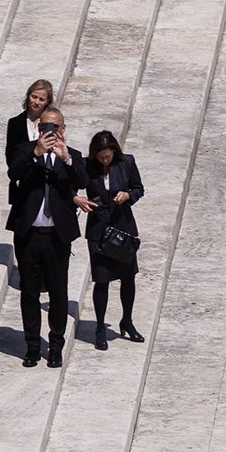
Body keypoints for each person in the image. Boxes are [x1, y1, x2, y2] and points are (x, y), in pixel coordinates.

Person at [6, 105, 82, 368]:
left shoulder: (72, 155)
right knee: (29, 292)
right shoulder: (25, 150)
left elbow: (82, 179)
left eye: (55, 127)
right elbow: (13, 173)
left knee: (58, 292)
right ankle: (32, 347)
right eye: (44, 127)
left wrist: (65, 158)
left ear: (63, 129)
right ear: (38, 128)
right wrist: (37, 152)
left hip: (56, 236)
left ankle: (56, 345)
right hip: (28, 233)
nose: (50, 131)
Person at [79, 129, 144, 350]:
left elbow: (138, 188)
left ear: (114, 151)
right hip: (99, 230)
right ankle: (99, 328)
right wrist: (78, 199)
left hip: (122, 228)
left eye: (107, 156)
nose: (104, 160)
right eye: (100, 157)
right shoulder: (87, 165)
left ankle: (127, 320)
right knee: (102, 280)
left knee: (128, 277)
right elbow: (72, 183)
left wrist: (127, 195)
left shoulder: (126, 163)